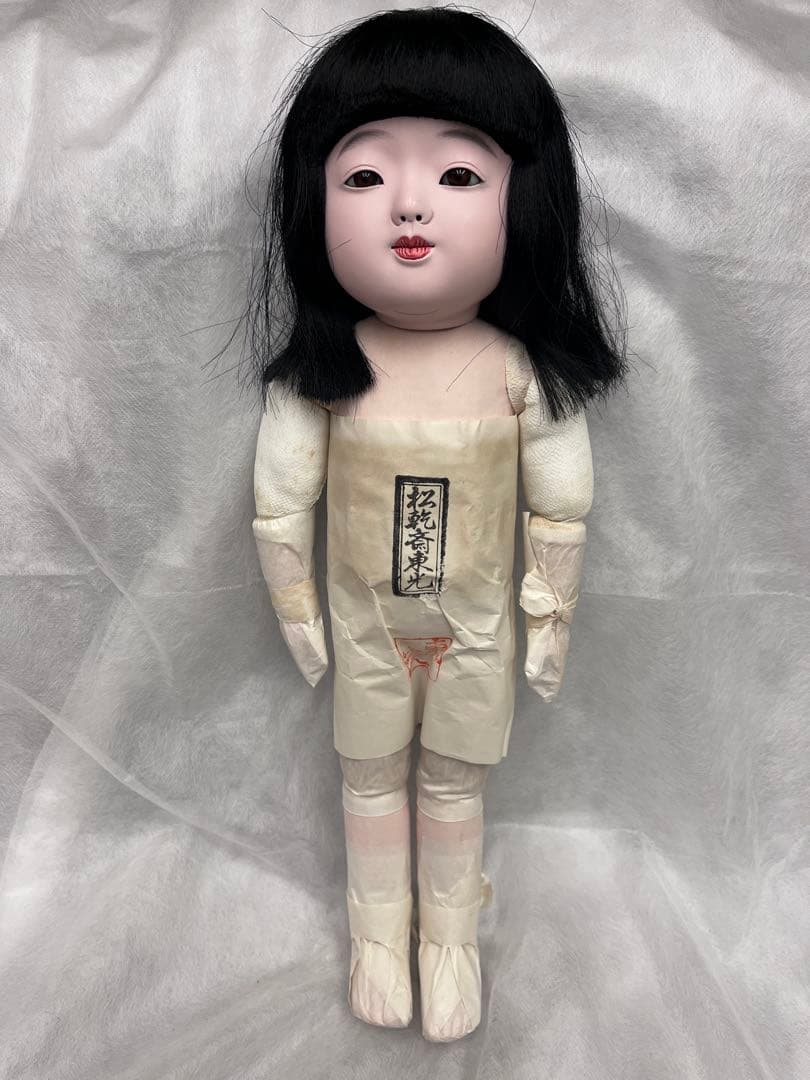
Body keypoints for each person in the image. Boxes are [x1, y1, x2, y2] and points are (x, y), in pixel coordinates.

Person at [244, 7, 628, 1042]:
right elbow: (280, 506)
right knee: (369, 780)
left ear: (524, 200)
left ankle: (449, 944)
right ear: (312, 202)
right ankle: (378, 939)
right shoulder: (323, 379)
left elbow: (562, 505)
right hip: (364, 630)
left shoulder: (517, 373)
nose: (409, 203)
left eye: (459, 174)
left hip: (476, 632)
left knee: (456, 783)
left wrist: (550, 622)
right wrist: (298, 617)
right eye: (365, 175)